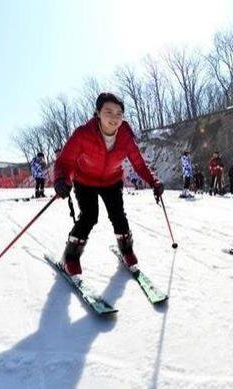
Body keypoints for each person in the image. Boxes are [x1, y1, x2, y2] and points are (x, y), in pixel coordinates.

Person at [53, 92, 164, 276]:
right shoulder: (83, 134)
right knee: (89, 216)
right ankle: (70, 257)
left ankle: (127, 251)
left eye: (119, 113)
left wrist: (154, 181)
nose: (114, 117)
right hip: (85, 180)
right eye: (109, 111)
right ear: (97, 112)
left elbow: (138, 162)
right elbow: (65, 161)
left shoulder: (125, 135)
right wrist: (60, 180)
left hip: (111, 180)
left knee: (118, 215)